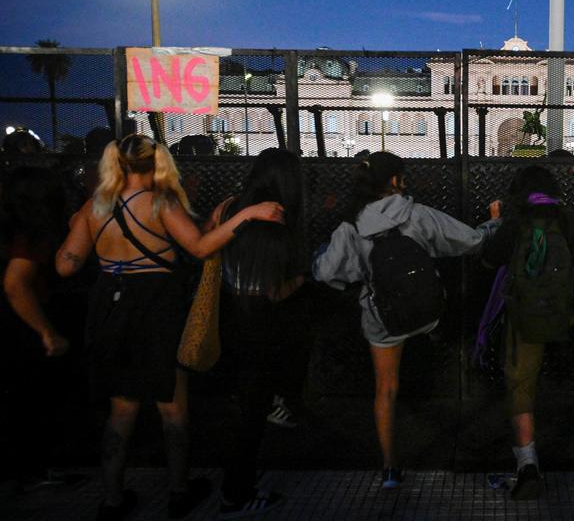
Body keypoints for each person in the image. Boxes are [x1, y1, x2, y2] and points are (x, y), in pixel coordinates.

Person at [54, 134, 284, 520]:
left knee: (121, 409)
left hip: (110, 308)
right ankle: (179, 492)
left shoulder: (95, 207)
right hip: (156, 306)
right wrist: (247, 214)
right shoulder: (161, 203)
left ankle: (112, 499)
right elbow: (199, 247)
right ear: (158, 163)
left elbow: (66, 265)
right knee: (172, 407)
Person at [313, 152, 495, 491]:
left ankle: (390, 468)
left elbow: (326, 271)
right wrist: (493, 222)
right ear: (395, 181)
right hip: (427, 312)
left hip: (382, 318)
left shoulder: (351, 225)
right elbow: (470, 240)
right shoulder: (416, 214)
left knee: (386, 387)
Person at [480, 164, 574, 500]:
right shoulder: (569, 219)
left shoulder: (515, 223)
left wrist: (494, 223)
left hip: (526, 317)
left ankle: (527, 464)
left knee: (521, 383)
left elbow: (488, 261)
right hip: (567, 314)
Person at [206, 148, 307, 518]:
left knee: (241, 407)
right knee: (252, 413)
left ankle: (235, 484)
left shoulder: (229, 208)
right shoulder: (276, 218)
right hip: (260, 322)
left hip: (227, 313)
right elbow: (273, 290)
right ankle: (236, 493)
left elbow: (206, 242)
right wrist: (301, 278)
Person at [0, 167, 81, 492]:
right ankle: (32, 471)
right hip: (20, 328)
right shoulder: (34, 234)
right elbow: (16, 285)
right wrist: (47, 332)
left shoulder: (10, 228)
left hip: (12, 326)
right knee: (29, 401)